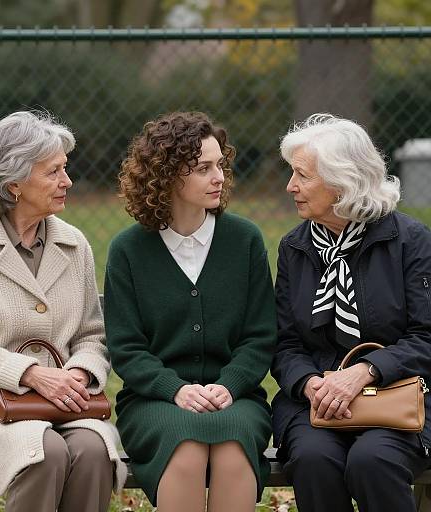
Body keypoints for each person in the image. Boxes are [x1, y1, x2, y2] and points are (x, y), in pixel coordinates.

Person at [0, 111, 126, 511]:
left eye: (65, 169)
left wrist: (79, 372)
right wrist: (31, 374)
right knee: (44, 452)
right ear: (14, 182)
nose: (67, 182)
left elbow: (92, 335)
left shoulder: (75, 245)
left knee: (92, 450)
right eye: (53, 171)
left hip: (64, 402)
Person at [104, 111, 276, 512]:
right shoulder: (129, 250)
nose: (219, 177)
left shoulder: (244, 239)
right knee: (187, 448)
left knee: (233, 448)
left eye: (220, 165)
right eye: (203, 168)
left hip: (236, 398)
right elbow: (127, 348)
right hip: (153, 401)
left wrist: (230, 384)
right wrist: (175, 389)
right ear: (165, 176)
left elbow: (260, 336)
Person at [271, 113, 431, 512]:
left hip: (399, 396)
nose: (290, 186)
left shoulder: (410, 242)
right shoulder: (295, 247)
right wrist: (310, 384)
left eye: (302, 176)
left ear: (343, 181)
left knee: (372, 461)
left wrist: (365, 371)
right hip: (316, 403)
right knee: (313, 460)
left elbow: (427, 336)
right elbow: (285, 342)